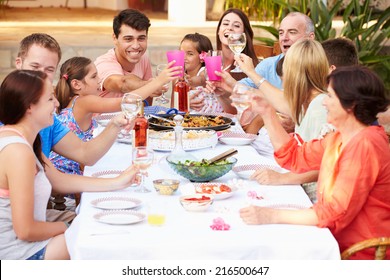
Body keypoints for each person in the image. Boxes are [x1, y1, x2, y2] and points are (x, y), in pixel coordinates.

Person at [239, 65, 390, 260]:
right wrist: (267, 112)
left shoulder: (366, 143)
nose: (324, 103)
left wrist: (271, 215)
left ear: (350, 104)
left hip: (359, 251)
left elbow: (334, 212)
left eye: (329, 96)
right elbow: (293, 155)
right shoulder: (340, 136)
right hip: (332, 238)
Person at [0, 70, 140, 260]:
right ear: (29, 106)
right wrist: (71, 228)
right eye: (50, 99)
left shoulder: (20, 139)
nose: (57, 104)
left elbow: (60, 180)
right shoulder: (18, 152)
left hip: (21, 244)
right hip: (20, 254)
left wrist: (117, 182)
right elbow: (25, 230)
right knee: (107, 243)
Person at [50, 56, 179, 175]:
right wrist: (158, 82)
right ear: (77, 84)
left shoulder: (75, 101)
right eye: (94, 76)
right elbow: (124, 102)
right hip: (67, 170)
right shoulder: (83, 102)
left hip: (73, 164)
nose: (99, 80)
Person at [236, 39, 329, 203]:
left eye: (285, 72)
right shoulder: (306, 102)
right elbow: (275, 98)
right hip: (301, 186)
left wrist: (281, 178)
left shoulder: (319, 108)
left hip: (316, 198)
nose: (282, 79)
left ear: (294, 74)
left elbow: (325, 166)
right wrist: (251, 73)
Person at [94, 8, 166, 105]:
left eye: (141, 38)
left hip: (130, 118)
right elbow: (122, 83)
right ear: (115, 38)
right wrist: (153, 84)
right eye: (128, 39)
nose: (136, 46)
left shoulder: (143, 58)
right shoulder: (103, 63)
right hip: (102, 120)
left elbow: (147, 101)